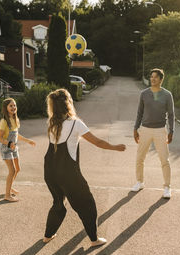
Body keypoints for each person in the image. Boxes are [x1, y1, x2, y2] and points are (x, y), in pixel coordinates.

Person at [43, 89, 126, 246]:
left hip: (50, 172)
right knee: (87, 205)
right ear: (69, 104)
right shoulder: (75, 123)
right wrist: (116, 147)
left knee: (58, 203)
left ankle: (48, 235)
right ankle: (94, 239)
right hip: (68, 174)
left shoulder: (51, 123)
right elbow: (98, 142)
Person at [132, 68, 175, 199]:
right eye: (151, 77)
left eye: (156, 77)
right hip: (144, 130)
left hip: (160, 131)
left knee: (164, 160)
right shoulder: (144, 94)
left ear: (161, 79)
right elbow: (139, 112)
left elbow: (172, 115)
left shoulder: (167, 95)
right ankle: (140, 182)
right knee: (139, 158)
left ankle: (167, 187)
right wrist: (135, 128)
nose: (153, 79)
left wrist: (171, 131)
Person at [0, 98, 36, 202]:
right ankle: (7, 195)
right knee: (12, 170)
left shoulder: (15, 119)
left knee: (17, 169)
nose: (13, 107)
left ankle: (9, 187)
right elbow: (0, 138)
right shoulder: (4, 121)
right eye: (11, 106)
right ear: (6, 108)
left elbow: (16, 135)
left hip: (14, 147)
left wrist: (28, 140)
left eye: (14, 105)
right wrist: (9, 144)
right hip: (6, 148)